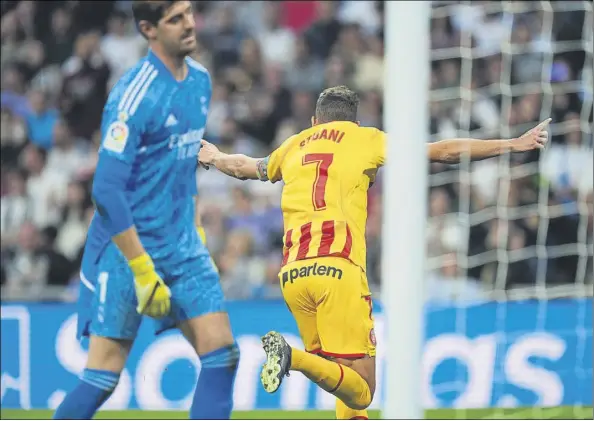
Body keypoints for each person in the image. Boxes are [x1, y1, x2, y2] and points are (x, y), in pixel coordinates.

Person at [197, 85, 549, 419]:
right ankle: (294, 357)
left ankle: (299, 359)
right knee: (363, 390)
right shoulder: (366, 138)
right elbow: (444, 151)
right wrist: (512, 144)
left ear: (314, 122)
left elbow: (247, 168)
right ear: (355, 121)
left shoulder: (292, 146)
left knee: (340, 380)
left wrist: (214, 156)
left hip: (292, 275)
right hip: (337, 270)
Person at [53, 2, 238, 419]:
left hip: (182, 246)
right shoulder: (134, 95)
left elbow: (183, 162)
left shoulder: (201, 82)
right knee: (103, 376)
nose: (189, 23)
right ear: (148, 29)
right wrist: (140, 267)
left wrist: (193, 227)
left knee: (222, 355)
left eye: (189, 13)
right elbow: (105, 188)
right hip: (126, 249)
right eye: (175, 19)